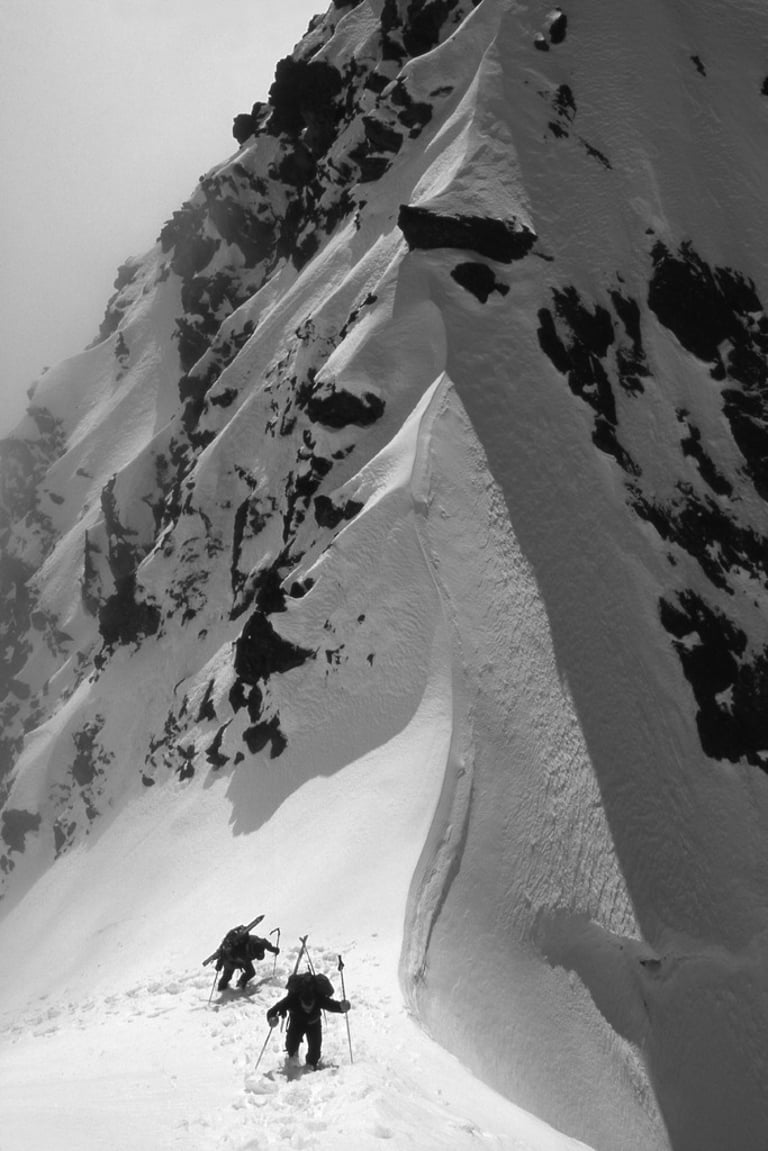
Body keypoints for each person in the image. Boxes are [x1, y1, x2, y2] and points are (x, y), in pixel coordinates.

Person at [266, 971, 350, 1069]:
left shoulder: (319, 998)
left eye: (310, 1007)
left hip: (314, 1023)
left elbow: (331, 1005)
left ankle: (311, 1065)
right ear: (300, 1000)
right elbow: (272, 1011)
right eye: (305, 1007)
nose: (308, 1010)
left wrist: (342, 1007)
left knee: (315, 1050)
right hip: (297, 1023)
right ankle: (293, 1059)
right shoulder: (292, 999)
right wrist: (271, 1019)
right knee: (291, 1045)